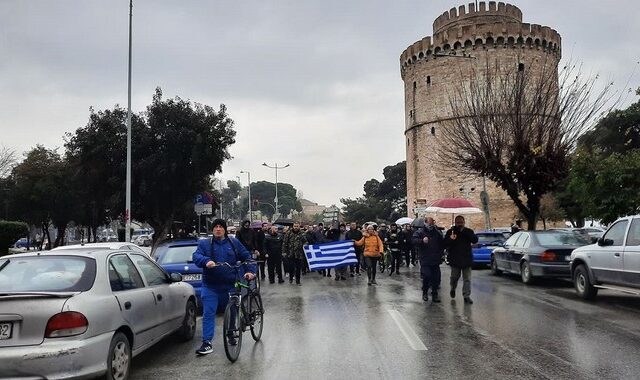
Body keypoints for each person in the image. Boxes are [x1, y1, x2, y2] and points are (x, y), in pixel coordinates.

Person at [192, 219, 256, 356]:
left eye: (221, 227)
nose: (218, 229)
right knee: (208, 313)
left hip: (230, 284)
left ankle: (231, 333)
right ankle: (207, 342)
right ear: (212, 229)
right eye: (215, 227)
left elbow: (247, 257)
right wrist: (206, 261)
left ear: (225, 229)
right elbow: (196, 256)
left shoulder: (233, 243)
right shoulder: (205, 244)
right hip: (211, 286)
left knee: (233, 310)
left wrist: (250, 270)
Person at [444, 215, 478, 304]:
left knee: (467, 279)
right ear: (455, 223)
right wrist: (451, 239)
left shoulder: (468, 231)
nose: (460, 224)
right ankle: (453, 288)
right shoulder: (450, 232)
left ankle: (466, 296)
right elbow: (445, 244)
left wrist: (464, 232)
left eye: (461, 222)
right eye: (458, 222)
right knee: (454, 277)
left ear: (464, 222)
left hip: (466, 259)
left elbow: (474, 240)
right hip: (455, 259)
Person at [413, 217, 445, 302]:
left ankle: (435, 295)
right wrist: (422, 241)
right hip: (425, 259)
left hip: (435, 259)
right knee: (427, 275)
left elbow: (442, 243)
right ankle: (425, 292)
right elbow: (414, 240)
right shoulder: (420, 232)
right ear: (425, 223)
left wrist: (441, 254)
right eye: (429, 224)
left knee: (436, 278)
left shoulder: (437, 232)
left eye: (432, 224)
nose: (431, 225)